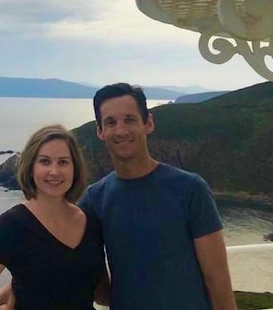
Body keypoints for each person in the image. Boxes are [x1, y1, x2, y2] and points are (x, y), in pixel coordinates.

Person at [81, 82, 237, 310]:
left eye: (130, 119)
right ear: (100, 131)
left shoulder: (190, 189)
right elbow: (55, 243)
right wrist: (15, 288)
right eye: (111, 122)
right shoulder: (94, 199)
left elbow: (218, 281)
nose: (121, 130)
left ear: (149, 123)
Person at [0, 124, 110, 310]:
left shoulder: (91, 222)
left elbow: (102, 295)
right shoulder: (12, 224)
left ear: (74, 168)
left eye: (63, 162)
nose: (54, 171)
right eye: (45, 161)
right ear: (31, 168)